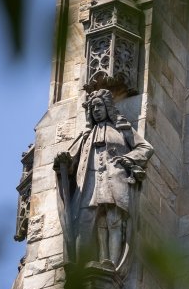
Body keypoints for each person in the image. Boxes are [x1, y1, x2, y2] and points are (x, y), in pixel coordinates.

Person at [54, 89, 154, 269]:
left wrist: (129, 159)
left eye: (99, 105)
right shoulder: (85, 136)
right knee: (94, 221)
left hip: (114, 178)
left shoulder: (121, 128)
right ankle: (95, 260)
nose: (96, 110)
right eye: (92, 108)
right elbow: (72, 161)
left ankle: (112, 264)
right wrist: (63, 162)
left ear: (107, 107)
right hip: (89, 183)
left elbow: (145, 148)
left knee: (113, 220)